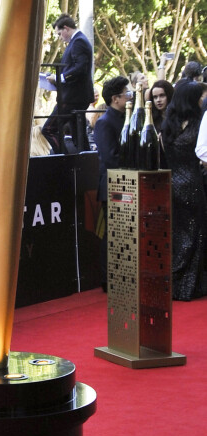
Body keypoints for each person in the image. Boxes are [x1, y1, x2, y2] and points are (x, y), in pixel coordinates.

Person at [161, 82, 207, 301]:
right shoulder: (198, 123)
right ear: (192, 99)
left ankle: (173, 281)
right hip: (192, 183)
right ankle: (188, 286)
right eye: (200, 96)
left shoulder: (168, 124)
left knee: (177, 233)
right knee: (195, 233)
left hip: (171, 183)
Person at [93, 76, 130, 290]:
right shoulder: (105, 122)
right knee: (113, 233)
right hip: (114, 185)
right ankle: (109, 279)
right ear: (116, 98)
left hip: (128, 184)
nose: (130, 97)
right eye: (127, 94)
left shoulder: (127, 118)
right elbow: (111, 157)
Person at [42, 14, 94, 152]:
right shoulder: (77, 41)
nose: (60, 37)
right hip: (74, 96)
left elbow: (80, 68)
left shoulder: (78, 41)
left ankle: (65, 160)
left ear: (66, 28)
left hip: (73, 97)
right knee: (78, 136)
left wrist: (61, 78)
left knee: (48, 129)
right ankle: (80, 161)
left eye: (60, 33)